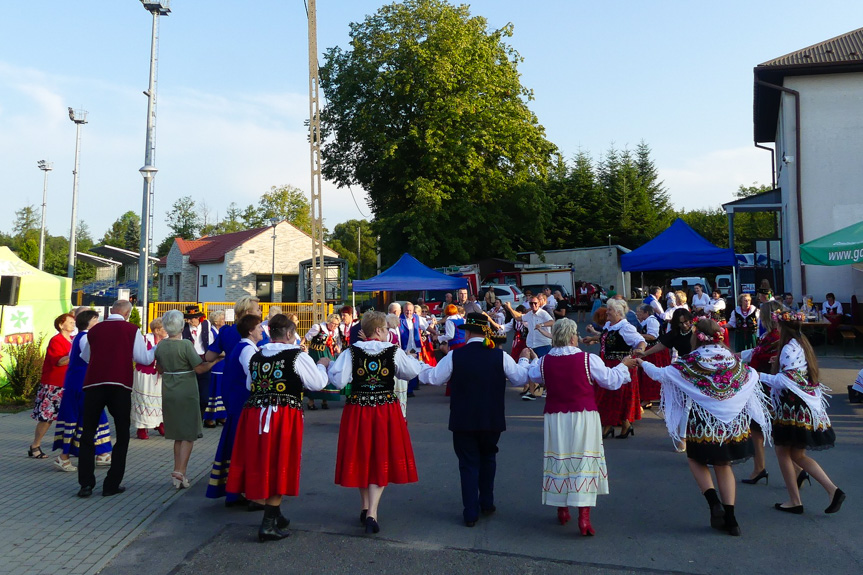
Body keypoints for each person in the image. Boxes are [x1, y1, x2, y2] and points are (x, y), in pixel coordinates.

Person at [636, 319, 770, 536]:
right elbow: (751, 375)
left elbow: (661, 374)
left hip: (704, 421)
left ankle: (713, 501)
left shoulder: (690, 361)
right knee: (724, 465)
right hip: (732, 422)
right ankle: (732, 518)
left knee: (695, 459)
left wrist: (642, 363)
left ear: (696, 336)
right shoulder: (732, 359)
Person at [524, 319, 636, 535]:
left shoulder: (544, 362)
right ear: (573, 336)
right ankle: (584, 517)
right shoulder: (587, 359)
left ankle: (562, 508)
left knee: (559, 458)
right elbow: (611, 381)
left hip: (556, 417)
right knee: (583, 460)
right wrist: (624, 365)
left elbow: (531, 375)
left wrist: (524, 360)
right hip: (584, 415)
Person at [419, 313, 531, 527]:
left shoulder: (455, 355)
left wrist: (417, 367)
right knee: (488, 457)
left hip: (463, 418)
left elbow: (434, 378)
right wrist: (524, 359)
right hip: (491, 417)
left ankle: (470, 512)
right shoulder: (500, 356)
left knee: (468, 463)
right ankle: (486, 502)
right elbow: (519, 377)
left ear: (467, 332)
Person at [227, 314, 329, 541]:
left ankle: (275, 514)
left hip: (254, 414)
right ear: (290, 334)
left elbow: (249, 384)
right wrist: (321, 366)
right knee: (280, 461)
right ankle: (267, 524)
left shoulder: (257, 355)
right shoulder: (297, 356)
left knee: (264, 462)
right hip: (282, 415)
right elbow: (318, 383)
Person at [324, 311, 426, 534]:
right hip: (384, 409)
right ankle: (372, 512)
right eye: (387, 329)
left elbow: (339, 380)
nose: (389, 333)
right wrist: (414, 360)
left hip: (358, 409)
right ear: (379, 330)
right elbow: (410, 372)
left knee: (361, 455)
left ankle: (365, 507)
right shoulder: (393, 351)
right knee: (379, 456)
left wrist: (329, 365)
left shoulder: (351, 352)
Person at [758, 310, 845, 516]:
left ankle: (794, 500)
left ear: (784, 327)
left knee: (782, 451)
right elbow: (795, 373)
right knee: (797, 454)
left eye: (778, 325)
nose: (776, 328)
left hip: (793, 407)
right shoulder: (801, 343)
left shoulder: (788, 348)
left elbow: (784, 381)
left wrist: (756, 375)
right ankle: (833, 490)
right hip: (802, 405)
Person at [76, 300, 156, 498]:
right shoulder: (131, 329)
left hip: (94, 384)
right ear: (127, 314)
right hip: (120, 385)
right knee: (122, 435)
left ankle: (85, 484)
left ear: (111, 311)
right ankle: (111, 484)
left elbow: (85, 356)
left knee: (88, 433)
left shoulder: (94, 330)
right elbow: (143, 359)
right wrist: (158, 347)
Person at [206, 314, 264, 506]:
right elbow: (254, 377)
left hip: (238, 404)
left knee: (235, 447)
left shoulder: (246, 347)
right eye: (259, 327)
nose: (262, 330)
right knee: (243, 447)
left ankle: (234, 491)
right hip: (243, 405)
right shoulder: (247, 350)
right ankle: (245, 492)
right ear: (250, 331)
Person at [155, 310, 215, 489]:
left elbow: (159, 369)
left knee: (177, 434)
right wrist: (216, 361)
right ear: (181, 326)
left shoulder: (161, 346)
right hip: (186, 389)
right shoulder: (186, 345)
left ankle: (177, 471)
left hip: (168, 388)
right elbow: (200, 369)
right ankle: (180, 471)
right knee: (189, 433)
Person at [52, 310, 112, 471]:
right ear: (89, 322)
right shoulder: (85, 337)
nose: (98, 322)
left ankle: (102, 453)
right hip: (82, 383)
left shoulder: (78, 337)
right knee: (88, 415)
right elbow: (90, 358)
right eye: (95, 320)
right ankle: (65, 457)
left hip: (77, 382)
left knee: (84, 417)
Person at [583, 299, 646, 438]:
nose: (607, 312)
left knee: (618, 396)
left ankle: (614, 425)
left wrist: (640, 349)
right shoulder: (609, 324)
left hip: (621, 364)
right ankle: (619, 424)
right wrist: (592, 339)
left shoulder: (626, 327)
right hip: (607, 363)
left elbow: (640, 340)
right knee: (608, 395)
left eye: (610, 310)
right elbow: (607, 338)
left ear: (618, 313)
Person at [204, 296, 266, 428]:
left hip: (229, 382)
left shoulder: (226, 331)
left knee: (232, 424)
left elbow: (209, 356)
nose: (261, 312)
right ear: (248, 313)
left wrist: (225, 354)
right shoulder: (258, 333)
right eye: (258, 309)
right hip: (249, 383)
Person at [739, 300, 783, 484]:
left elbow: (761, 355)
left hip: (766, 386)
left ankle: (761, 469)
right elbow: (756, 352)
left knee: (763, 429)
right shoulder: (772, 336)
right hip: (762, 385)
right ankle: (759, 468)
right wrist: (740, 356)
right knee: (758, 429)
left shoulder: (775, 337)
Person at [29, 313, 75, 460]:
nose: (73, 324)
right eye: (70, 322)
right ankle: (35, 445)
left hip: (68, 383)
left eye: (74, 322)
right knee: (47, 418)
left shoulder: (73, 340)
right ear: (61, 325)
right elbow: (59, 361)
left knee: (71, 416)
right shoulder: (56, 340)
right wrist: (76, 354)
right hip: (54, 384)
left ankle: (69, 446)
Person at [504, 296, 554, 401]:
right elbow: (518, 318)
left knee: (545, 368)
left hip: (543, 343)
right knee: (532, 368)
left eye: (535, 303)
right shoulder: (529, 314)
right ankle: (532, 392)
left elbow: (552, 321)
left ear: (539, 303)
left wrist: (542, 324)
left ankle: (546, 389)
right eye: (531, 304)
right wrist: (509, 309)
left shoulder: (543, 313)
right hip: (532, 344)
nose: (533, 305)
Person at [132, 317, 166, 440]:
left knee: (160, 400)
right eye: (164, 328)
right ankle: (141, 428)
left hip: (160, 374)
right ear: (156, 330)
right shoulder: (144, 339)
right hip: (145, 375)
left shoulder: (167, 341)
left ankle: (160, 423)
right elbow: (140, 356)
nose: (167, 331)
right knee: (144, 400)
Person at [181, 305, 214, 422]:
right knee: (190, 394)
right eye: (188, 318)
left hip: (204, 361)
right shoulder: (184, 328)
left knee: (204, 395)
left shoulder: (207, 325)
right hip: (189, 363)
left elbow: (211, 341)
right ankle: (192, 420)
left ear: (198, 317)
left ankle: (200, 417)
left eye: (192, 318)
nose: (189, 321)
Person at [304, 313, 343, 410]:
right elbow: (307, 337)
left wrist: (337, 347)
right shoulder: (318, 328)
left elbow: (337, 342)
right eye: (333, 324)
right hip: (316, 354)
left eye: (336, 324)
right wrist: (301, 345)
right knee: (314, 375)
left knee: (328, 374)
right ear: (329, 322)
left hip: (328, 354)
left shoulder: (336, 331)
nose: (334, 326)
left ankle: (324, 400)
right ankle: (311, 401)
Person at [634, 303, 664, 407]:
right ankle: (646, 397)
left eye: (640, 312)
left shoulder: (652, 321)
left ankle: (648, 398)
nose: (638, 314)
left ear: (646, 313)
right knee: (644, 373)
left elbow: (652, 336)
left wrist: (636, 335)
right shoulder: (645, 321)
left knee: (649, 374)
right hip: (648, 349)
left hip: (653, 350)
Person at [399, 302, 428, 397]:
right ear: (403, 310)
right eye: (407, 310)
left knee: (414, 368)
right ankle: (404, 389)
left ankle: (411, 389)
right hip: (404, 347)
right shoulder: (400, 319)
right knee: (404, 368)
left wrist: (435, 332)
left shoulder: (417, 318)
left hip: (415, 346)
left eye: (410, 310)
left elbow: (426, 326)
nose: (409, 312)